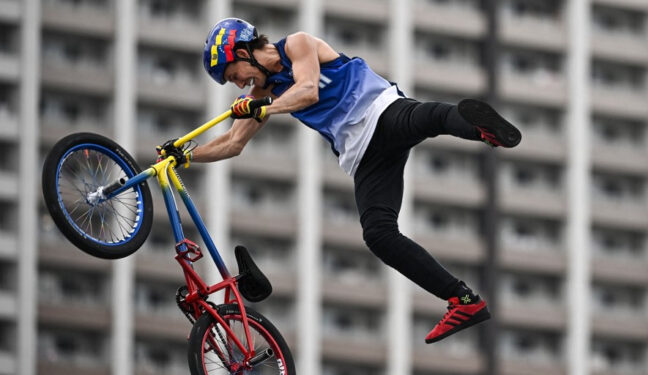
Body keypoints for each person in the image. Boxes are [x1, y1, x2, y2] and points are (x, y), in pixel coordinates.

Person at [162, 17, 521, 344]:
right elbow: (233, 143)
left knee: (428, 117)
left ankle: (479, 128)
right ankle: (463, 300)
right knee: (378, 234)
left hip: (379, 112)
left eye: (233, 73)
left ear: (243, 52)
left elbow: (308, 91)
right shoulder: (262, 94)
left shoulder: (297, 45)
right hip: (364, 158)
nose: (237, 83)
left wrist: (263, 108)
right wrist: (187, 155)